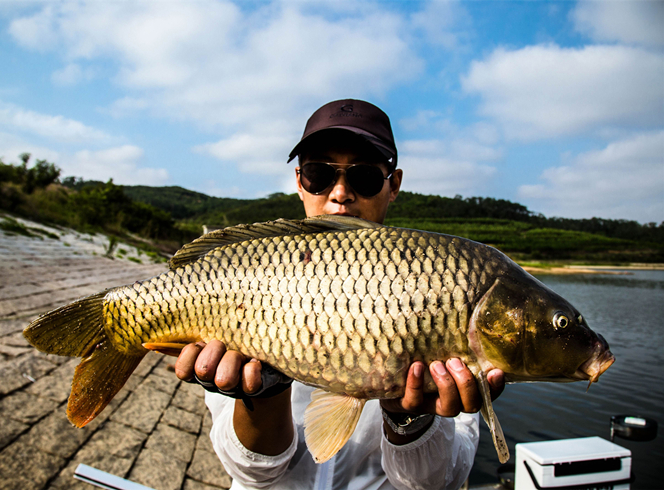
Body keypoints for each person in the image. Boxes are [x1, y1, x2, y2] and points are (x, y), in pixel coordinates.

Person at [174, 99, 505, 490]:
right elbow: (252, 474)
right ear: (300, 181)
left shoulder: (443, 284)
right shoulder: (247, 276)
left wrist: (410, 419)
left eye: (364, 177)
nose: (341, 193)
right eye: (319, 174)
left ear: (393, 184)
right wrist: (264, 394)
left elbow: (435, 484)